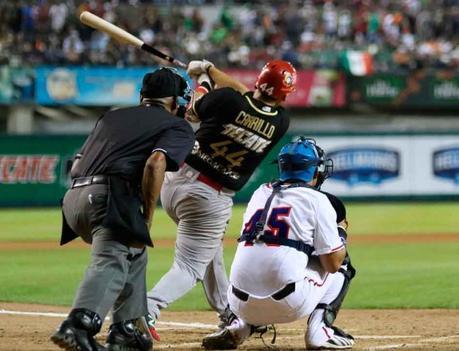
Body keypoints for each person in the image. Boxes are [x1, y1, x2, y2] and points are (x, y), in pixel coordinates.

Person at [145, 59, 297, 335]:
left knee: (210, 251)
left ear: (259, 81)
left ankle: (229, 310)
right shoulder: (281, 122)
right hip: (209, 197)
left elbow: (195, 110)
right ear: (285, 94)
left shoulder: (228, 100)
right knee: (190, 267)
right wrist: (207, 74)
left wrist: (203, 80)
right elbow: (247, 102)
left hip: (175, 180)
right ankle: (147, 310)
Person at [50, 67, 195, 351]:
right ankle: (78, 324)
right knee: (112, 258)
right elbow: (155, 164)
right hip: (109, 198)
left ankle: (125, 328)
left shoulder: (111, 116)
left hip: (73, 199)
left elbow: (77, 164)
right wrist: (148, 217)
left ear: (142, 96)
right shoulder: (177, 126)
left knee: (135, 252)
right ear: (177, 103)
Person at [202, 137, 356, 350]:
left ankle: (241, 325)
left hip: (238, 302)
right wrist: (340, 232)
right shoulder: (318, 200)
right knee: (341, 260)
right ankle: (319, 332)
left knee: (265, 253)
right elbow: (332, 264)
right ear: (314, 171)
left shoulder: (259, 193)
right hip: (289, 303)